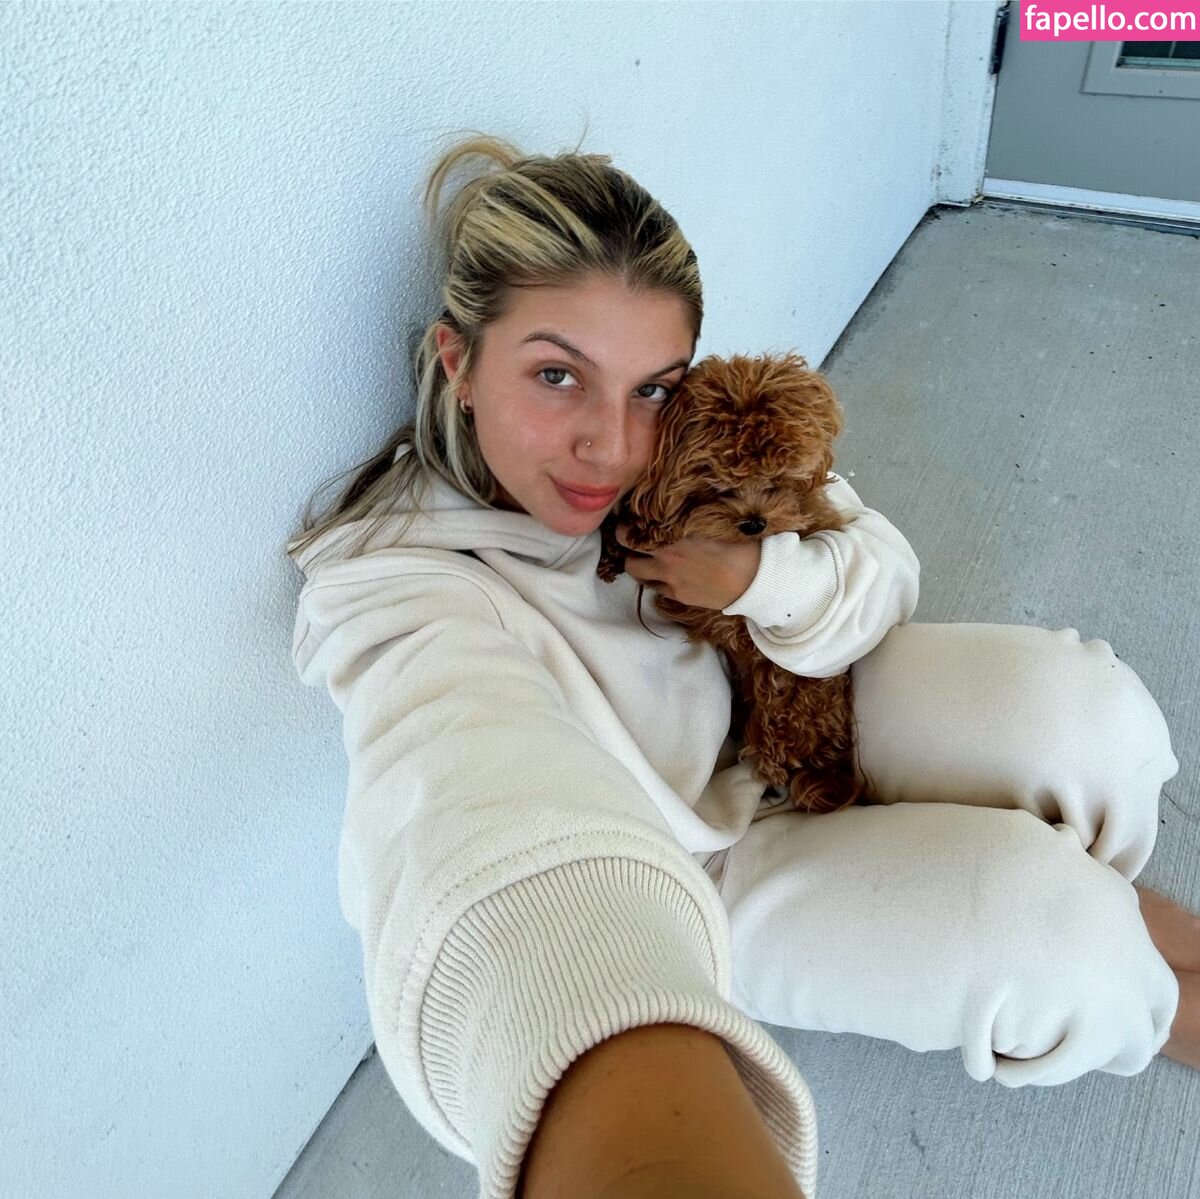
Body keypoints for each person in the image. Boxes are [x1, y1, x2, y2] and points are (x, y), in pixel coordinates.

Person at [286, 133, 1200, 1199]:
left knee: (1091, 720)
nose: (610, 445)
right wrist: (589, 1033)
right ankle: (1135, 967)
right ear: (458, 361)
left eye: (650, 385)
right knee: (1063, 951)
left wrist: (758, 578)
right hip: (698, 871)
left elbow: (878, 563)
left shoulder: (678, 444)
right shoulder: (393, 585)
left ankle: (1100, 898)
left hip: (780, 705)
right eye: (555, 375)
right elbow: (470, 807)